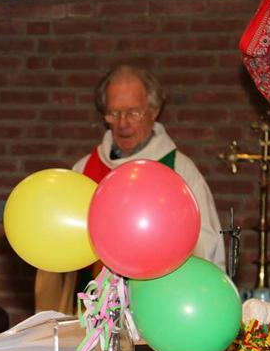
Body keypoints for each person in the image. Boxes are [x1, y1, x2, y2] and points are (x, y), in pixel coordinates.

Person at [35, 65, 225, 313]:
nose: (122, 123)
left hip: (159, 307)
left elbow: (207, 247)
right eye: (114, 113)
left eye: (133, 113)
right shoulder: (84, 170)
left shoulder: (179, 170)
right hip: (92, 312)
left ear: (154, 111)